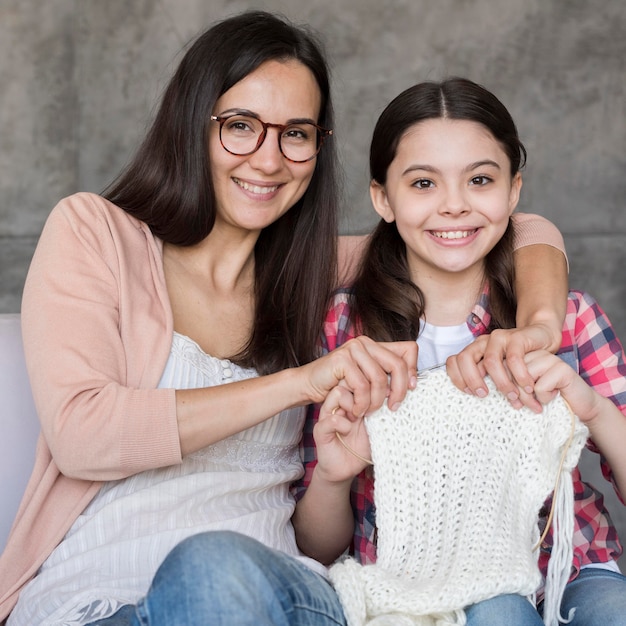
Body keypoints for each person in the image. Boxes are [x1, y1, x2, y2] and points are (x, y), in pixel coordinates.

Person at [0, 9, 564, 625]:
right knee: (200, 573)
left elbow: (518, 226)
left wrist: (536, 329)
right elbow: (84, 436)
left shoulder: (309, 269)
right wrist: (301, 381)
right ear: (193, 122)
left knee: (211, 567)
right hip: (97, 603)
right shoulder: (96, 232)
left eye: (296, 134)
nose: (268, 161)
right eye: (241, 126)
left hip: (278, 596)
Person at [293, 77, 626, 625]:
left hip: (566, 566)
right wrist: (335, 475)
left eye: (479, 179)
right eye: (423, 183)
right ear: (383, 198)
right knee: (500, 612)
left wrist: (590, 408)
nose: (454, 206)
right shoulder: (340, 330)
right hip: (410, 584)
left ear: (514, 191)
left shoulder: (570, 319)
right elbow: (316, 549)